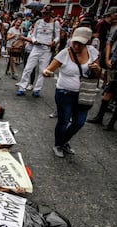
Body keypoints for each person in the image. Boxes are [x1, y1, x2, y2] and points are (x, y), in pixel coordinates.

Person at [42, 27, 101, 158]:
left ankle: (64, 142)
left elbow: (98, 74)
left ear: (87, 42)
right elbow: (48, 69)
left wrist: (97, 68)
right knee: (63, 121)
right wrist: (46, 73)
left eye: (80, 43)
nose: (76, 45)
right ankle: (58, 144)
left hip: (84, 94)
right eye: (74, 42)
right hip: (64, 93)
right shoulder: (64, 53)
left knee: (79, 122)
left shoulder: (92, 52)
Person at [16, 4, 60, 97]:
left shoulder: (55, 23)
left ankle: (37, 89)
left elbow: (57, 37)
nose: (44, 16)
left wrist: (54, 42)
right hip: (36, 48)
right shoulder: (39, 22)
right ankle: (22, 87)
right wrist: (35, 41)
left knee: (42, 71)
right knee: (28, 68)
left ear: (51, 13)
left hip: (46, 50)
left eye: (46, 14)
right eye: (43, 13)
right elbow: (33, 35)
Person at [87, 27, 117, 130]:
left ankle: (111, 123)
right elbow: (110, 42)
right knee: (107, 95)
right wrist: (108, 58)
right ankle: (99, 117)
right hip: (115, 64)